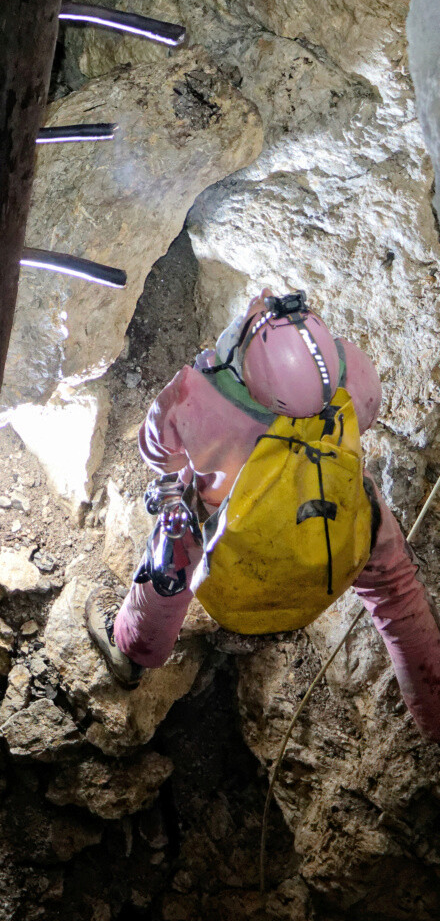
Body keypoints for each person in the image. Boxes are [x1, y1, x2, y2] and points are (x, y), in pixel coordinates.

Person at [88, 287, 440, 741]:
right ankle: (435, 711)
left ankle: (133, 651)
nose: (265, 299)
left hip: (237, 528)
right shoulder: (355, 372)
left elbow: (158, 454)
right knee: (398, 593)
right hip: (332, 508)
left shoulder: (195, 397)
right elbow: (366, 417)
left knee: (173, 551)